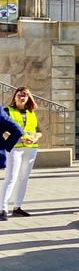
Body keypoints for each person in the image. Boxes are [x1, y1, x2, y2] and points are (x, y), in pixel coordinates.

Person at [0, 88, 34, 220]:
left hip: (30, 148)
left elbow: (38, 129)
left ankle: (17, 207)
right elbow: (6, 131)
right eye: (19, 95)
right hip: (15, 148)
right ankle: (3, 209)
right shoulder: (8, 111)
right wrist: (13, 143)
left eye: (25, 95)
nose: (22, 97)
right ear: (14, 97)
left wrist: (34, 138)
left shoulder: (31, 112)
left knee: (23, 178)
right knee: (11, 178)